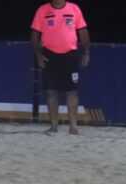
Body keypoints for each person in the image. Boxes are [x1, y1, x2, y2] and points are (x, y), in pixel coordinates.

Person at [30, 0, 90, 135]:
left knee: (72, 92)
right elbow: (34, 35)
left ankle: (73, 127)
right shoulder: (42, 10)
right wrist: (38, 55)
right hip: (49, 56)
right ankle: (54, 126)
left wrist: (86, 52)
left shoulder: (74, 9)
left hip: (70, 55)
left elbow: (83, 32)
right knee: (51, 92)